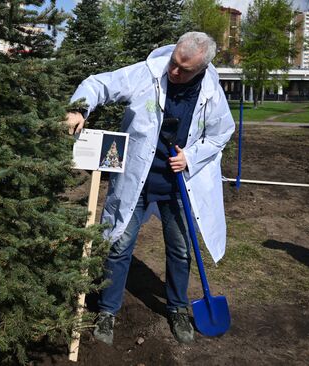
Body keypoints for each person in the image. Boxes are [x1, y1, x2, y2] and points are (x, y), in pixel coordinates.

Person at [65, 32, 235, 345]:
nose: (174, 71)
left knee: (181, 250)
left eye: (184, 69)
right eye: (174, 62)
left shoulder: (211, 92)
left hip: (179, 185)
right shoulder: (147, 73)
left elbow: (221, 133)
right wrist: (79, 109)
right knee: (119, 244)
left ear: (200, 69)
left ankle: (178, 307)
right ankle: (107, 309)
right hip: (137, 181)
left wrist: (190, 157)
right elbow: (98, 84)